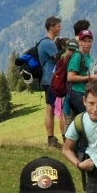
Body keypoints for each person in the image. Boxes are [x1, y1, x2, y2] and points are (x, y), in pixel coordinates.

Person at [39, 17, 63, 147]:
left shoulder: (44, 42)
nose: (60, 28)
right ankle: (51, 138)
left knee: (51, 107)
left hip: (47, 79)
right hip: (50, 80)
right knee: (51, 108)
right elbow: (58, 60)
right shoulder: (49, 44)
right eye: (58, 26)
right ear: (52, 27)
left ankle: (51, 138)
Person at [64, 30, 95, 118]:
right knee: (89, 117)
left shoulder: (88, 56)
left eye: (89, 41)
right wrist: (89, 78)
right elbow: (70, 77)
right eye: (85, 41)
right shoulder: (77, 56)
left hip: (85, 92)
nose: (88, 44)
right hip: (77, 92)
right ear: (79, 42)